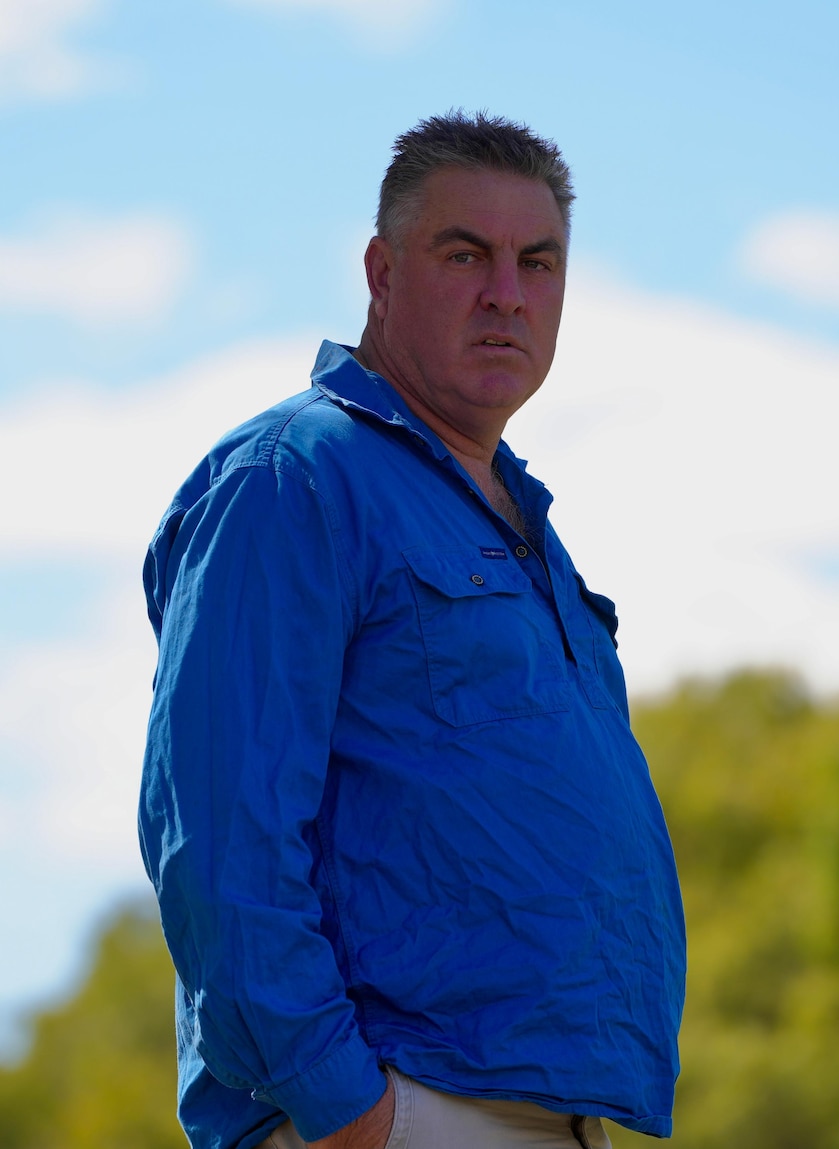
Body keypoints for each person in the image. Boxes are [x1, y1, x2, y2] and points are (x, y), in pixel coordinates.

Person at [139, 111, 685, 1149]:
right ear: (382, 273)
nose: (505, 294)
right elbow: (217, 837)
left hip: (548, 1116)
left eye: (537, 261)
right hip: (393, 1112)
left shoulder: (520, 521)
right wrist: (352, 1112)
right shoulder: (293, 478)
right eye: (463, 254)